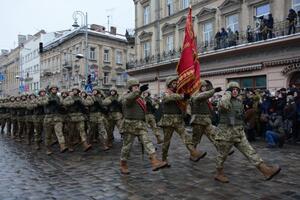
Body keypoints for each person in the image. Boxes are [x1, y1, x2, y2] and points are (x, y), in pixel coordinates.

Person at [214, 81, 281, 183]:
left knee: (250, 152)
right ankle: (219, 173)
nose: (235, 91)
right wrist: (227, 93)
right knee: (222, 155)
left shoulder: (239, 101)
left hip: (239, 132)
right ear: (228, 91)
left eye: (237, 89)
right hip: (226, 133)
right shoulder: (223, 100)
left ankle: (265, 170)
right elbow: (223, 105)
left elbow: (240, 115)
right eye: (233, 90)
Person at [119, 78, 167, 174]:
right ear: (130, 88)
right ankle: (123, 164)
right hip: (129, 125)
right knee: (127, 146)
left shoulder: (140, 98)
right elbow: (130, 99)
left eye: (138, 86)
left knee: (147, 141)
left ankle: (154, 161)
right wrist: (139, 91)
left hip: (140, 124)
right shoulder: (126, 97)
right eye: (135, 87)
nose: (137, 88)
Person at [159, 76, 206, 166]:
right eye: (173, 83)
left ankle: (193, 152)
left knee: (186, 136)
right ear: (169, 84)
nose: (176, 84)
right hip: (168, 120)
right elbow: (167, 98)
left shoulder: (178, 93)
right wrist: (182, 96)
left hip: (178, 120)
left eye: (176, 83)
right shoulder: (166, 93)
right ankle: (164, 159)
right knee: (166, 142)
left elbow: (183, 103)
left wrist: (186, 99)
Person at [61, 87, 92, 152]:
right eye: (74, 90)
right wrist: (72, 102)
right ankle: (70, 146)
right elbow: (64, 103)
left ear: (78, 91)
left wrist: (81, 103)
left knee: (82, 131)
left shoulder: (81, 98)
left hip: (80, 117)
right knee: (71, 132)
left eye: (76, 90)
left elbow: (87, 103)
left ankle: (85, 144)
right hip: (71, 117)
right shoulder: (69, 97)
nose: (75, 91)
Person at [40, 85, 68, 155]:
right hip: (48, 117)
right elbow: (42, 103)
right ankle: (48, 149)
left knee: (59, 132)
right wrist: (49, 100)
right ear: (50, 90)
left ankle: (62, 146)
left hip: (57, 117)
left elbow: (63, 104)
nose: (54, 90)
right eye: (53, 89)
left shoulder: (59, 97)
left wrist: (60, 105)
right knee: (48, 135)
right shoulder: (46, 96)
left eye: (55, 89)